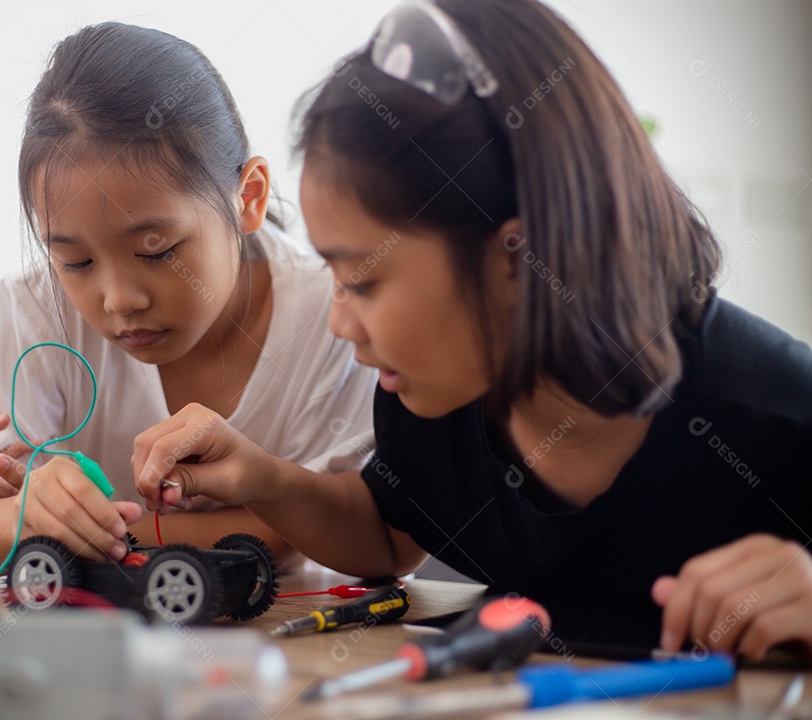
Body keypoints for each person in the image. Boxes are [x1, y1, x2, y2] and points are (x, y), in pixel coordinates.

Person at [133, 0, 812, 659]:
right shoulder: (435, 396)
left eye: (363, 280)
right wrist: (267, 481)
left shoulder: (774, 418)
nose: (340, 320)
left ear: (516, 259)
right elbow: (385, 526)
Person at [0, 22, 376, 580]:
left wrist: (72, 529)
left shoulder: (335, 316)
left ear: (246, 197)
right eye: (76, 262)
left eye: (157, 251)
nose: (119, 299)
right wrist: (22, 514)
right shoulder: (36, 308)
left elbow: (355, 533)